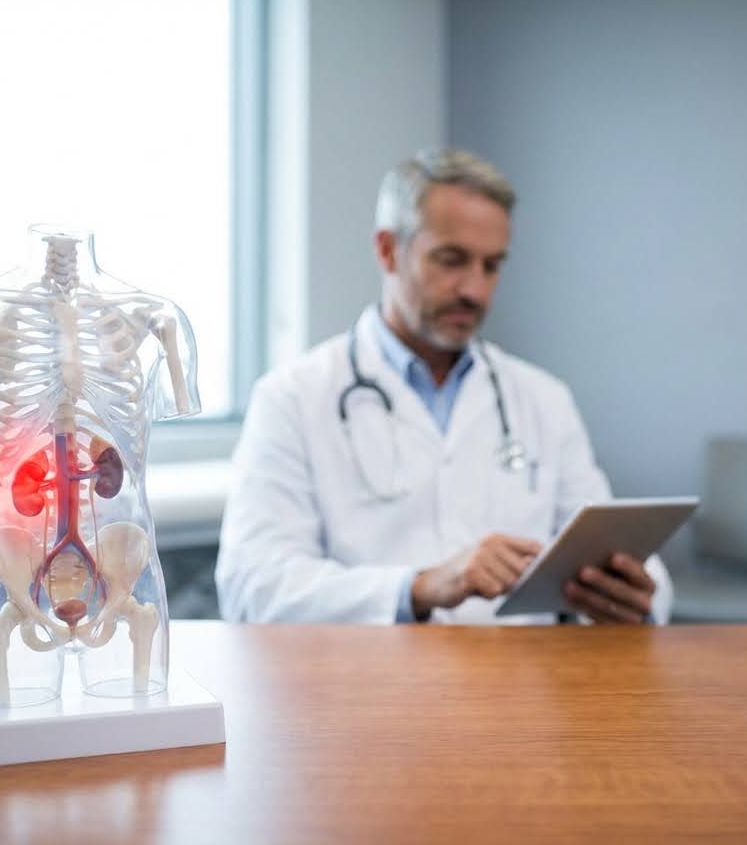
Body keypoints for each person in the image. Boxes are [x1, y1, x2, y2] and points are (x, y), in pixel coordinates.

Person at [216, 148, 673, 624]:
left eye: (491, 266)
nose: (475, 290)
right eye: (451, 260)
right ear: (388, 250)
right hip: (371, 681)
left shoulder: (542, 398)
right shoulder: (293, 398)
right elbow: (254, 587)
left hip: (523, 682)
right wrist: (418, 587)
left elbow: (616, 548)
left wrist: (642, 593)